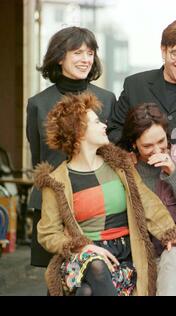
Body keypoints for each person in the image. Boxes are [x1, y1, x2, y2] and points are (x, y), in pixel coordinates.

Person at [34, 92, 176, 296]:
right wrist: (83, 248)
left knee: (86, 293)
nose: (104, 126)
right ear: (79, 131)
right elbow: (48, 233)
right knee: (96, 265)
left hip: (123, 255)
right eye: (97, 122)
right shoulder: (56, 181)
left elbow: (147, 204)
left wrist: (171, 234)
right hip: (83, 257)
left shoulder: (120, 165)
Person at [26, 26, 116, 267]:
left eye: (90, 53)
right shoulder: (38, 104)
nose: (86, 59)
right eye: (77, 52)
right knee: (56, 279)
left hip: (95, 201)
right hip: (52, 201)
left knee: (96, 274)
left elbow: (112, 153)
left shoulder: (107, 100)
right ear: (59, 57)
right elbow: (40, 159)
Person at [118, 103, 176, 296]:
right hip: (153, 257)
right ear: (134, 143)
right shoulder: (128, 170)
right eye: (147, 146)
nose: (156, 150)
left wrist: (173, 173)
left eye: (161, 141)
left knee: (175, 251)